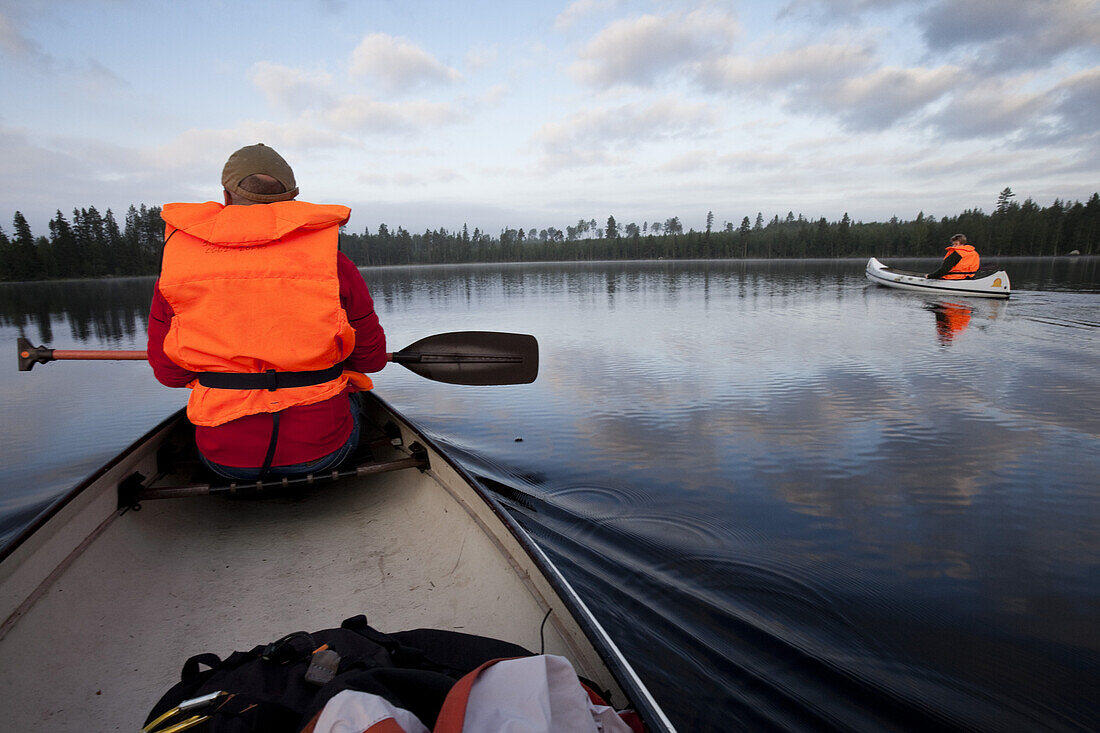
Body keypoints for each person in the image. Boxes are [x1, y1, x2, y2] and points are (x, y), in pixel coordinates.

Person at [147, 143, 387, 481]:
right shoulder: (332, 264)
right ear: (291, 199)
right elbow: (371, 360)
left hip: (226, 459)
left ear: (226, 196)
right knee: (357, 395)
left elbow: (170, 376)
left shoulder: (176, 270)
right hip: (323, 452)